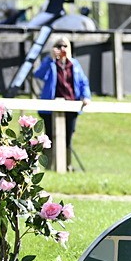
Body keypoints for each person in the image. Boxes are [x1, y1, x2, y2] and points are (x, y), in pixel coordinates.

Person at [33, 36, 91, 165]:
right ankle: (49, 165)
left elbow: (83, 82)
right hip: (51, 106)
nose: (62, 49)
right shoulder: (51, 63)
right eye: (59, 46)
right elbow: (39, 75)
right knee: (49, 137)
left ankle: (66, 165)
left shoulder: (74, 64)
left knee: (68, 137)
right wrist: (50, 59)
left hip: (71, 104)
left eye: (65, 46)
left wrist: (85, 96)